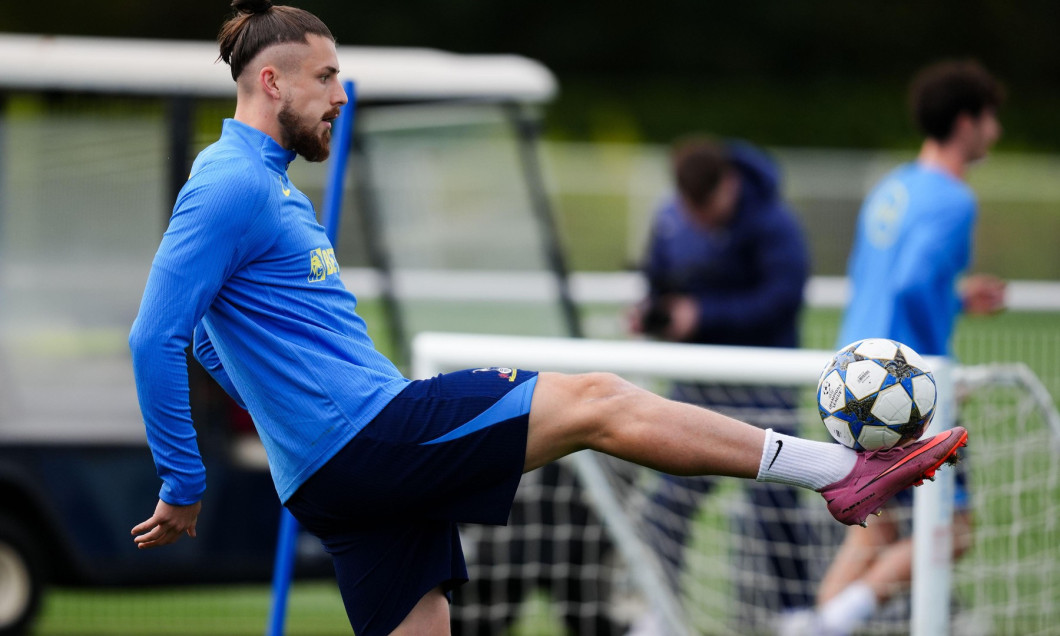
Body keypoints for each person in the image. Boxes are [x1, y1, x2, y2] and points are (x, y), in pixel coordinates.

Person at [127, 3, 969, 635]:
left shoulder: (264, 183)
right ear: (270, 81)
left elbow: (206, 333)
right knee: (601, 400)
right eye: (325, 77)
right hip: (365, 439)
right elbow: (157, 334)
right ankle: (839, 472)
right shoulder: (230, 181)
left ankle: (840, 474)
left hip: (339, 472)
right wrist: (185, 481)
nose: (342, 95)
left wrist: (291, 417)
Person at [779, 59, 1005, 636]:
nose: (995, 131)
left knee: (874, 529)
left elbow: (881, 278)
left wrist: (953, 297)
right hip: (898, 387)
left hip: (845, 376)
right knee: (949, 534)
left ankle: (815, 624)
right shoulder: (954, 199)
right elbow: (910, 284)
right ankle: (837, 617)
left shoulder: (893, 185)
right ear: (965, 122)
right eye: (989, 117)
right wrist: (936, 373)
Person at [627, 137, 813, 633]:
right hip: (696, 386)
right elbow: (657, 279)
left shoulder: (774, 223)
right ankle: (659, 611)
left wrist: (703, 315)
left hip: (763, 386)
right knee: (667, 503)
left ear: (728, 185)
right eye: (691, 209)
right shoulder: (671, 218)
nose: (698, 220)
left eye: (705, 208)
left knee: (775, 502)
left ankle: (797, 615)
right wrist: (653, 313)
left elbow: (782, 298)